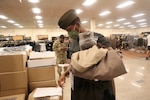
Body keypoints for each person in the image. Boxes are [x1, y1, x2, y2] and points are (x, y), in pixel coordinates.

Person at [58, 9, 115, 100]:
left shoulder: (97, 38)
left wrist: (96, 48)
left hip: (96, 87)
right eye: (67, 31)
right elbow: (74, 63)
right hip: (78, 85)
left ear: (77, 24)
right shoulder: (73, 42)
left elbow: (112, 57)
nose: (69, 33)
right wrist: (64, 74)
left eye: (69, 30)